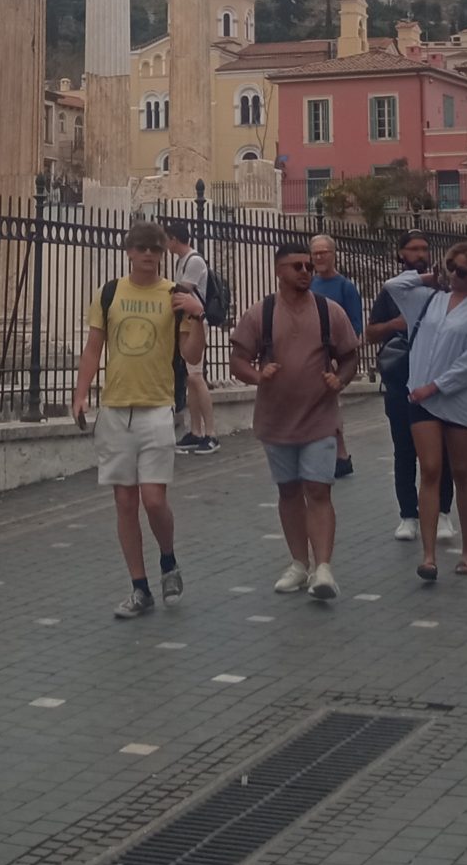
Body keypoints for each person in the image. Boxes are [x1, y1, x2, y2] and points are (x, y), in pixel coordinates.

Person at [74, 222, 203, 619]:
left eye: (155, 249)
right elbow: (94, 346)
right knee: (125, 502)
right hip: (115, 410)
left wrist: (197, 316)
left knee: (154, 500)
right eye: (141, 248)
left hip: (157, 409)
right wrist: (80, 394)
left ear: (163, 253)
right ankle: (139, 586)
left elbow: (192, 355)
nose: (148, 254)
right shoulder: (109, 292)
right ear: (129, 251)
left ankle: (168, 558)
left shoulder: (174, 295)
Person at [230, 244, 359, 601]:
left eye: (308, 265)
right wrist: (257, 375)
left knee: (318, 490)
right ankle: (298, 563)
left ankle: (323, 569)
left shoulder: (328, 311)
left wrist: (341, 379)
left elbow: (350, 355)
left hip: (320, 417)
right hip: (276, 420)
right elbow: (237, 359)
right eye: (296, 266)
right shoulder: (261, 313)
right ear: (278, 271)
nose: (305, 271)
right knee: (288, 491)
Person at [406, 243, 467, 582]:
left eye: (463, 271)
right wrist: (429, 277)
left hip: (457, 400)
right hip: (420, 398)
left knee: (462, 472)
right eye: (451, 267)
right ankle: (429, 556)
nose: (455, 275)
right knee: (430, 469)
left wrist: (436, 385)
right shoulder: (431, 299)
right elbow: (394, 287)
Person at [367, 231, 451, 542]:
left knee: (439, 449)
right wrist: (395, 326)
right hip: (400, 378)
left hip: (433, 378)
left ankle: (443, 512)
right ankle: (408, 515)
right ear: (401, 253)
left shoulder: (441, 291)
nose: (420, 253)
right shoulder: (392, 292)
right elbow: (371, 332)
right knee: (403, 449)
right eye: (413, 249)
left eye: (424, 248)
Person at [306, 235, 365, 479]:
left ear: (333, 254)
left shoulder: (345, 287)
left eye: (324, 252)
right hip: (311, 355)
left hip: (334, 357)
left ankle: (339, 454)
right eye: (315, 253)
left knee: (327, 405)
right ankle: (337, 455)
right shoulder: (309, 284)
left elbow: (354, 326)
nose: (319, 257)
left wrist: (338, 358)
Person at [165, 222, 222, 455]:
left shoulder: (194, 260)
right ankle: (196, 431)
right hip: (186, 322)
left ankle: (210, 434)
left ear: (174, 239)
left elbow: (182, 290)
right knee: (191, 377)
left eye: (167, 240)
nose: (166, 245)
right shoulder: (182, 261)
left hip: (196, 321)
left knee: (197, 376)